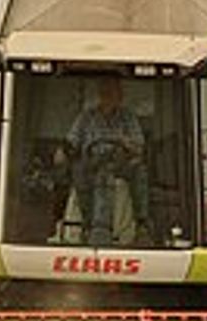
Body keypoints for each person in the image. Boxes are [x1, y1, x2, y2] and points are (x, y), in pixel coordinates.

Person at [63, 78, 150, 245]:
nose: (108, 96)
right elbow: (71, 141)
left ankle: (142, 223)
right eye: (105, 92)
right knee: (78, 171)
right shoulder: (86, 117)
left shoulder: (128, 117)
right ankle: (88, 224)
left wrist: (125, 143)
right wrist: (65, 151)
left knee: (140, 171)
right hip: (92, 162)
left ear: (120, 96)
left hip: (120, 163)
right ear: (99, 95)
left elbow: (139, 146)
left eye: (112, 93)